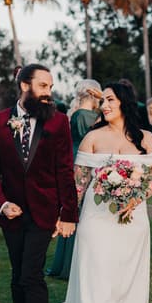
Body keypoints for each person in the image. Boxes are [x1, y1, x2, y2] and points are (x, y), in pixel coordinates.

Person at [58, 82, 152, 303]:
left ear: (124, 102)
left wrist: (137, 196)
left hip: (132, 216)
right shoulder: (92, 138)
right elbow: (79, 183)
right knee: (96, 273)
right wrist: (67, 214)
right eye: (103, 101)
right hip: (96, 215)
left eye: (110, 100)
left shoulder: (147, 139)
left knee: (124, 274)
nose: (104, 106)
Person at [0, 63, 78, 303]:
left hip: (44, 212)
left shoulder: (59, 122)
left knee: (31, 276)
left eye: (50, 87)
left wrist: (68, 214)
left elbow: (65, 170)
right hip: (12, 215)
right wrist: (2, 202)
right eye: (43, 86)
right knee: (17, 276)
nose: (49, 93)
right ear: (25, 85)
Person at [46, 79, 102, 281]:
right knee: (83, 209)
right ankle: (78, 261)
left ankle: (69, 259)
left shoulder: (76, 115)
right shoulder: (93, 116)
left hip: (76, 160)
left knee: (76, 208)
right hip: (87, 163)